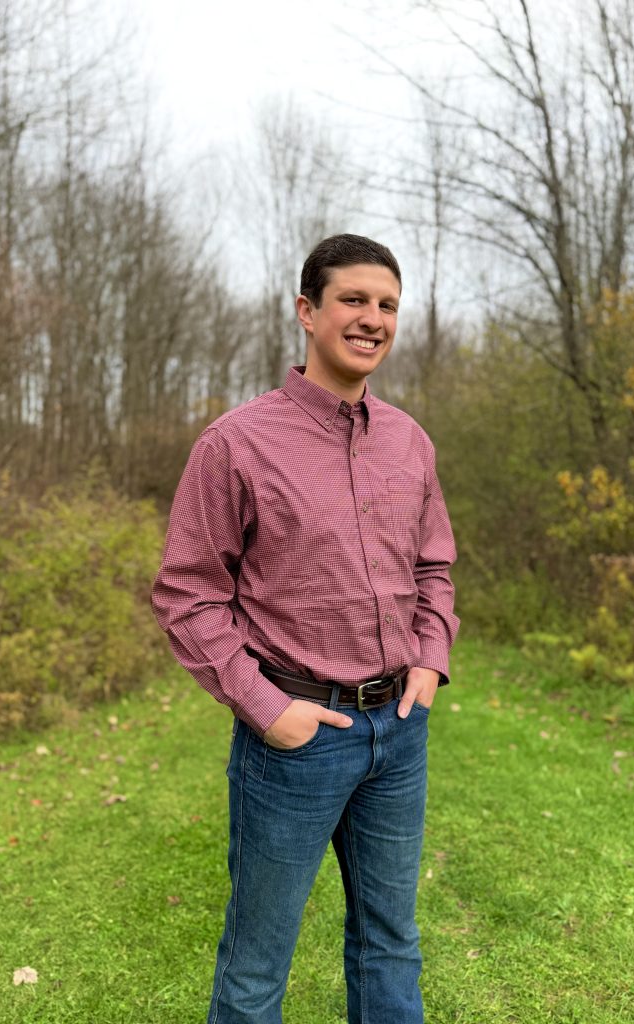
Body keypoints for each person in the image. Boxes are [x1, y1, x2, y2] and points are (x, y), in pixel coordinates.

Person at [151, 233, 459, 1024]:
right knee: (257, 967)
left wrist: (429, 660)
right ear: (307, 311)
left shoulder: (410, 442)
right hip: (295, 740)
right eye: (353, 299)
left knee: (391, 943)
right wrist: (267, 709)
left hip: (399, 731)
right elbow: (188, 596)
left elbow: (432, 567)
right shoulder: (236, 444)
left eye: (387, 305)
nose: (373, 319)